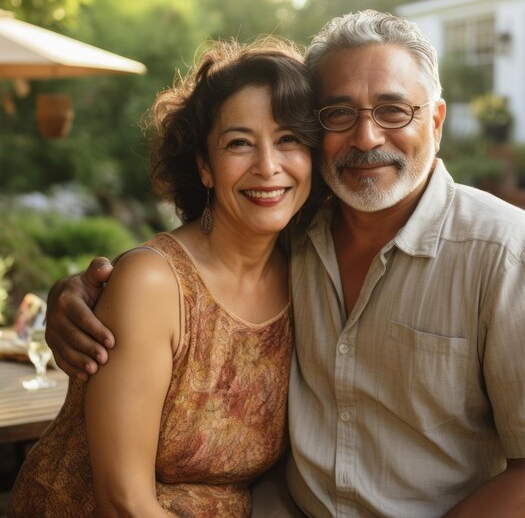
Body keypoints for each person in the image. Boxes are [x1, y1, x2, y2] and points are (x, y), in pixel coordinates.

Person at [44, 11, 525, 517]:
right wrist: (82, 292)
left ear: (438, 121)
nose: (366, 136)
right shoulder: (295, 235)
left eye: (394, 109)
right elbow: (184, 275)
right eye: (338, 114)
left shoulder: (513, 257)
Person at [8, 37, 321, 517]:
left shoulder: (308, 274)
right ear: (204, 166)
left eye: (289, 140)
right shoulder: (154, 283)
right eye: (239, 142)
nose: (267, 166)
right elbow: (124, 502)